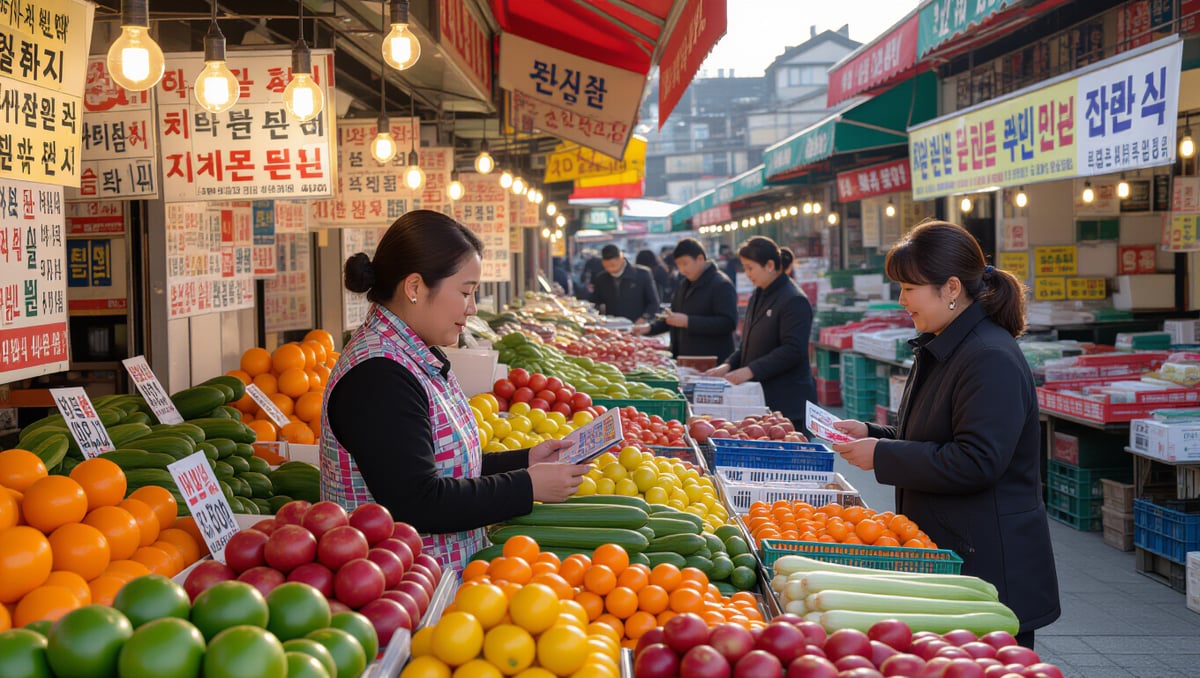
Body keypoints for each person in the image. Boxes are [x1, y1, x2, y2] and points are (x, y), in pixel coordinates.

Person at [830, 220, 1060, 648]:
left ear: (951, 288)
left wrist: (881, 454)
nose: (901, 301)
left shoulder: (988, 356)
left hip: (988, 569)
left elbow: (977, 461)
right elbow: (934, 433)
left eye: (908, 288)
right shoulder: (945, 343)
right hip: (956, 552)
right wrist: (873, 433)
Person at [321, 210, 589, 570]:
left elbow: (441, 469)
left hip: (439, 586)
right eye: (466, 292)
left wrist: (525, 461)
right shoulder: (377, 375)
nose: (472, 308)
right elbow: (419, 501)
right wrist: (526, 486)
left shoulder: (411, 353)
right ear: (415, 287)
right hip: (407, 595)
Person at [705, 236, 815, 431]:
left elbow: (792, 350)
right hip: (760, 399)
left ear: (770, 265)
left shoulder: (794, 300)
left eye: (750, 267)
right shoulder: (758, 294)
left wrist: (750, 370)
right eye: (744, 268)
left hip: (787, 403)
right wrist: (728, 365)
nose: (747, 274)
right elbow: (747, 343)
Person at [634, 238, 737, 362]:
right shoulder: (684, 284)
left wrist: (689, 321)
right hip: (686, 360)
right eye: (679, 265)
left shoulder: (721, 284)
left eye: (685, 263)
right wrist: (650, 328)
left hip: (711, 362)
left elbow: (728, 322)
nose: (682, 269)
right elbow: (672, 316)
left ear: (700, 259)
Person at [589, 244, 661, 321]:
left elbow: (653, 303)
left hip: (638, 325)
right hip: (612, 324)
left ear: (621, 258)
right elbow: (595, 302)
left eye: (613, 265)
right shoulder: (601, 278)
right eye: (607, 266)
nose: (611, 269)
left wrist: (645, 318)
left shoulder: (642, 274)